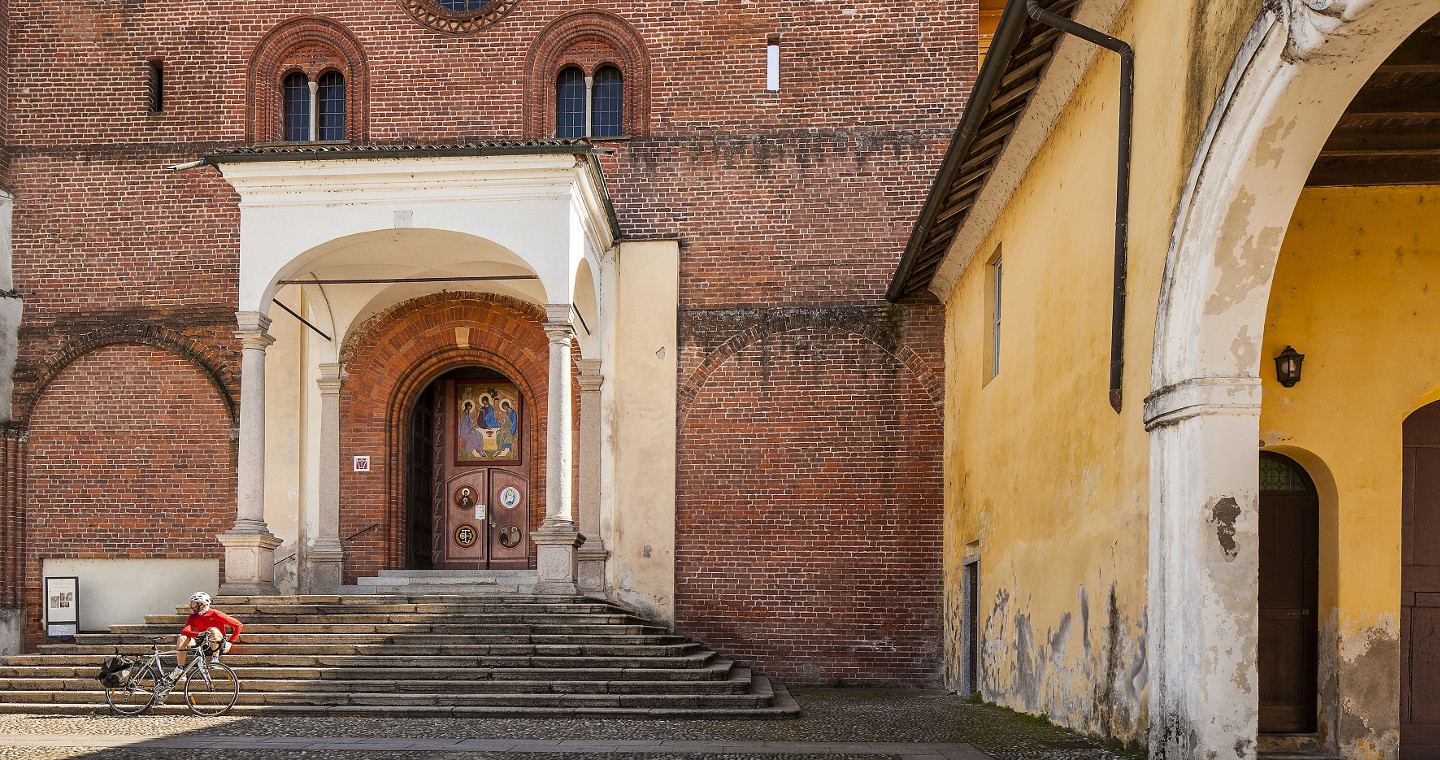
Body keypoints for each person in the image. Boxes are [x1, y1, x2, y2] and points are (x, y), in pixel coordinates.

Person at [169, 591, 242, 681]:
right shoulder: (193, 616)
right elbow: (185, 631)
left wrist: (230, 642)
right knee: (182, 638)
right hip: (202, 644)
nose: (190, 605)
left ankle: (215, 659)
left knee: (212, 630)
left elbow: (238, 625)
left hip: (217, 645)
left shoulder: (216, 614)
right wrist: (198, 634)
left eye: (192, 603)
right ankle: (180, 669)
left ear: (201, 604)